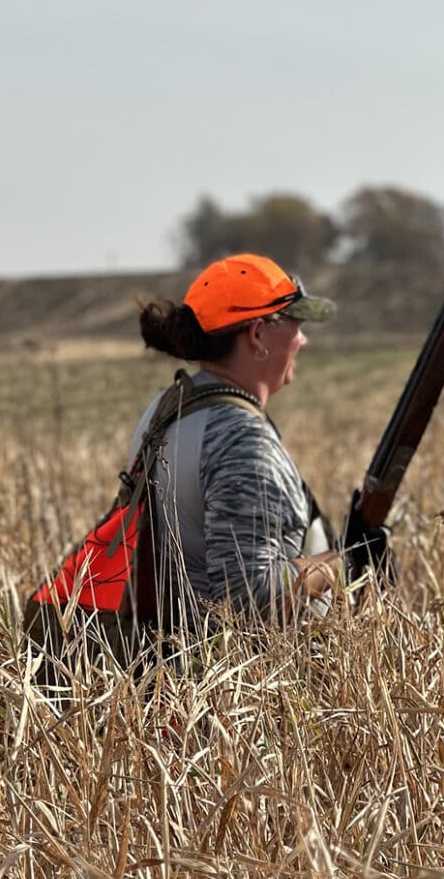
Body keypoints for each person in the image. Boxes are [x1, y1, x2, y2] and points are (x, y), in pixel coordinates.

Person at [133, 253, 346, 654]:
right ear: (258, 335)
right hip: (231, 690)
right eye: (295, 324)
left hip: (167, 669)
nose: (302, 339)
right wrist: (341, 565)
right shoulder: (241, 440)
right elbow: (251, 603)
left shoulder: (165, 410)